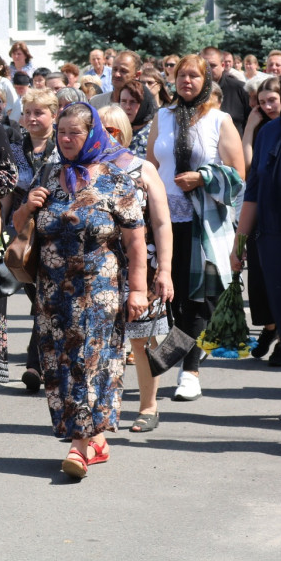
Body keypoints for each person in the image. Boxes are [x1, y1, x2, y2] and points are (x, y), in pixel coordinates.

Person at [13, 102, 147, 478]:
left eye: (75, 132)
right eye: (61, 132)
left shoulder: (115, 178)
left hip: (98, 292)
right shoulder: (48, 173)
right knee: (59, 366)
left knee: (90, 362)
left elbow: (136, 243)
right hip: (52, 293)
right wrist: (28, 207)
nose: (67, 139)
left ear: (93, 134)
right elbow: (20, 227)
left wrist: (138, 291)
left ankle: (79, 445)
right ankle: (95, 439)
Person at [146, 55, 245, 402]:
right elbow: (151, 164)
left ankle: (187, 370)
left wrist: (203, 177)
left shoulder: (219, 120)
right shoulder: (163, 116)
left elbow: (238, 175)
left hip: (204, 222)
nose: (186, 81)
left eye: (194, 75)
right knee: (171, 296)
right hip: (164, 219)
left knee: (197, 298)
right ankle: (176, 358)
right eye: (181, 75)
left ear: (205, 80)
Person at [96, 105, 175, 434]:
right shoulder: (84, 169)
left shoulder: (142, 169)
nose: (106, 137)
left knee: (142, 341)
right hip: (98, 269)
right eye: (100, 130)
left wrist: (165, 270)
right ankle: (100, 411)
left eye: (113, 131)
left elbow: (161, 222)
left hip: (140, 265)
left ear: (125, 133)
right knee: (99, 341)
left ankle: (148, 406)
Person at [8, 88, 59, 392]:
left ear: (53, 114)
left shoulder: (62, 147)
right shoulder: (14, 149)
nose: (32, 118)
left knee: (45, 299)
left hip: (55, 230)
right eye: (27, 112)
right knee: (38, 295)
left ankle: (34, 364)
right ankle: (43, 358)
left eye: (39, 112)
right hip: (23, 230)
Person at [240, 75, 281, 363]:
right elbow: (252, 190)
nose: (267, 105)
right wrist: (238, 242)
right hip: (271, 239)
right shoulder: (268, 133)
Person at [202, 46, 250, 135]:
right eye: (204, 65)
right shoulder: (190, 91)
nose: (207, 70)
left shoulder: (240, 89)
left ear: (223, 66)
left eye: (212, 65)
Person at [118, 80, 157, 158]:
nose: (127, 107)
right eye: (123, 101)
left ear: (143, 104)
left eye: (133, 102)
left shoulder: (154, 133)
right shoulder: (115, 131)